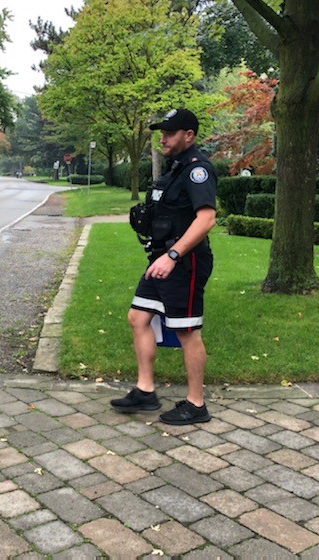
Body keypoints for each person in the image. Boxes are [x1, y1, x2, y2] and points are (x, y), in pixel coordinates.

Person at [111, 108, 217, 425]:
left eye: (170, 133)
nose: (163, 139)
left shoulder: (198, 170)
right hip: (160, 259)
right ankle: (146, 391)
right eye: (162, 133)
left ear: (189, 135)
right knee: (138, 317)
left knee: (186, 330)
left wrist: (173, 256)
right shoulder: (174, 169)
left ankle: (196, 404)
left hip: (184, 262)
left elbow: (206, 219)